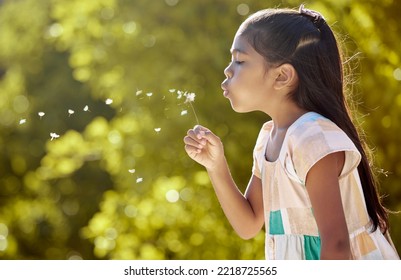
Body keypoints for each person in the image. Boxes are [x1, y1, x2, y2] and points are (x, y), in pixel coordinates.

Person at [183, 5, 400, 260]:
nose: (227, 70)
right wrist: (216, 166)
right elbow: (249, 224)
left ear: (282, 76)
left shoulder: (312, 139)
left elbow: (337, 245)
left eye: (240, 60)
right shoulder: (269, 138)